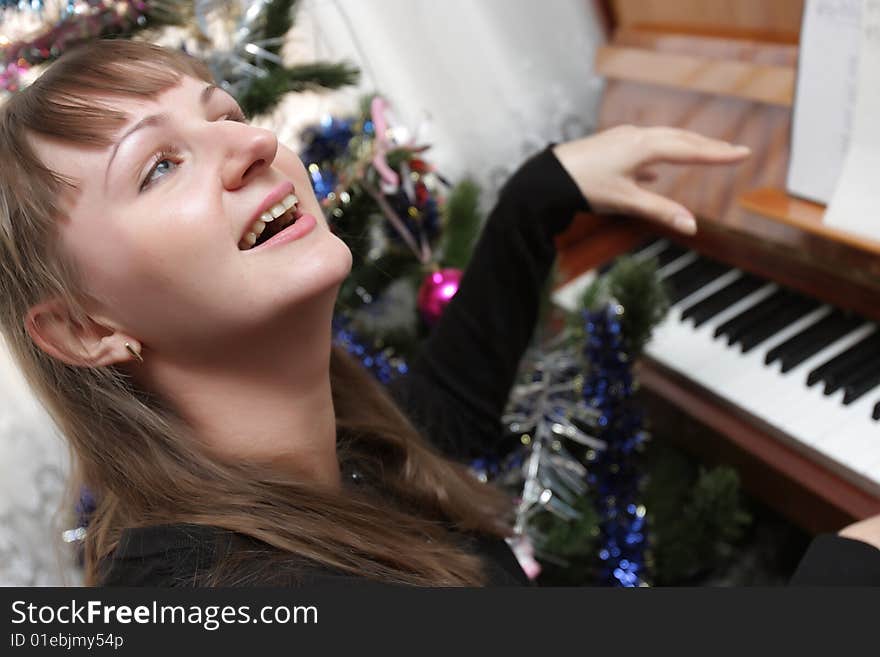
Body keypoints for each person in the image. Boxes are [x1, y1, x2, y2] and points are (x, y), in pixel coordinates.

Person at [0, 39, 875, 587]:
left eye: (226, 113)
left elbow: (433, 426)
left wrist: (541, 194)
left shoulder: (322, 458)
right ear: (84, 328)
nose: (254, 142)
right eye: (158, 166)